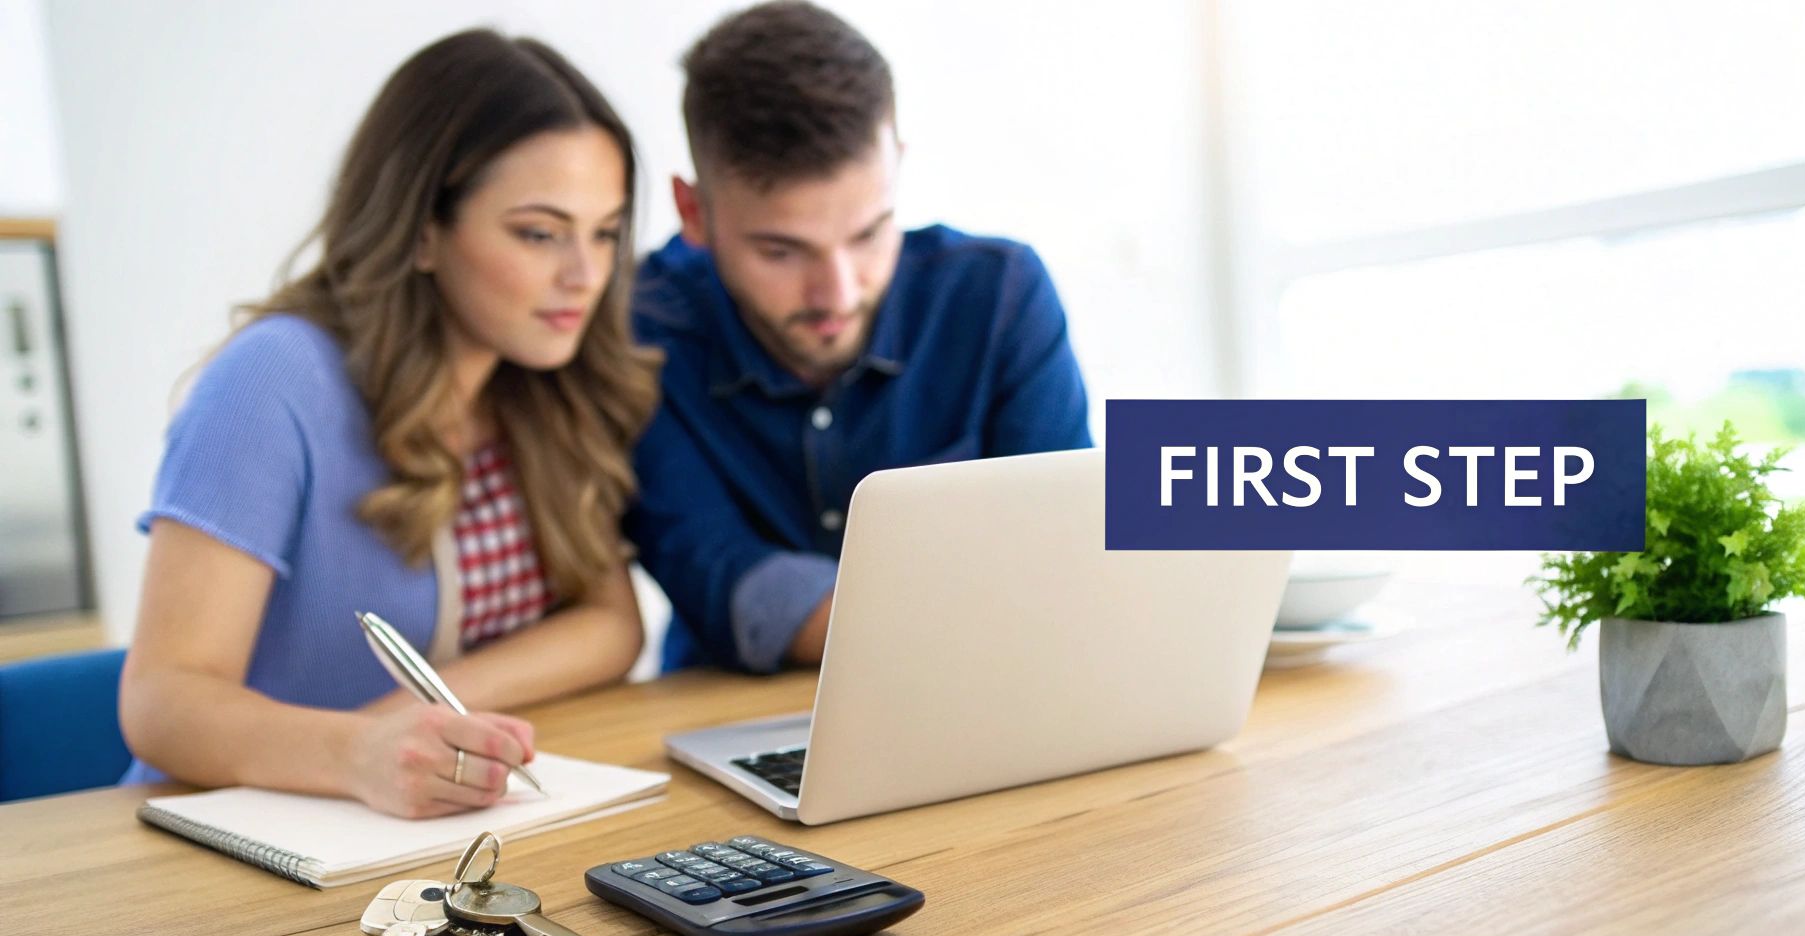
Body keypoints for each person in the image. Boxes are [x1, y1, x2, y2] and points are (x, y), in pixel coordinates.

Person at [118, 30, 660, 818]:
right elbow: (162, 700)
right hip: (237, 838)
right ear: (422, 231)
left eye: (605, 232)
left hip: (422, 832)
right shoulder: (270, 382)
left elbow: (611, 624)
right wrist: (355, 750)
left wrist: (426, 715)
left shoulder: (542, 379)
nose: (585, 275)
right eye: (540, 233)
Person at [625, 1, 1093, 675]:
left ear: (897, 167)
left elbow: (1064, 541)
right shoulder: (642, 333)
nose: (838, 293)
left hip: (995, 684)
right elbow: (722, 576)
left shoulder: (999, 296)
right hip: (739, 716)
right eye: (781, 251)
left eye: (869, 233)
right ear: (695, 213)